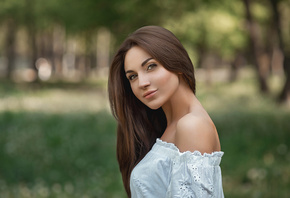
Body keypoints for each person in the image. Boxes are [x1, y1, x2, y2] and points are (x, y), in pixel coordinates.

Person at [108, 26, 224, 197]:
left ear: (176, 63)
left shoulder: (192, 126)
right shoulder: (165, 126)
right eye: (132, 76)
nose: (142, 83)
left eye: (150, 66)